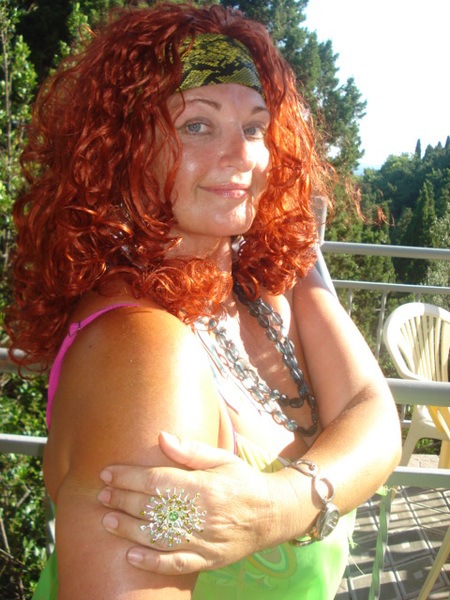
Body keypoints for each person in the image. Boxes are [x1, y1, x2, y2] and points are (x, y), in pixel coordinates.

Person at [5, 2, 401, 598]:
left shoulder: (272, 279)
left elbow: (373, 411)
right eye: (197, 125)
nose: (241, 153)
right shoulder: (143, 359)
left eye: (254, 127)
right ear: (124, 148)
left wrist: (279, 506)